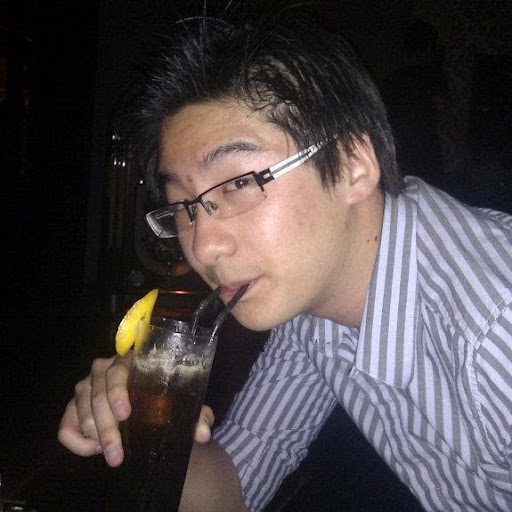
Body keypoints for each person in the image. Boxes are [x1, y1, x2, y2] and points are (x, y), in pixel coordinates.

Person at [58, 8, 512, 512]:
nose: (203, 247)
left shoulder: (496, 332)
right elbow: (239, 481)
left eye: (238, 183)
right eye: (184, 207)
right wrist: (144, 424)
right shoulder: (313, 300)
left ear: (354, 163)